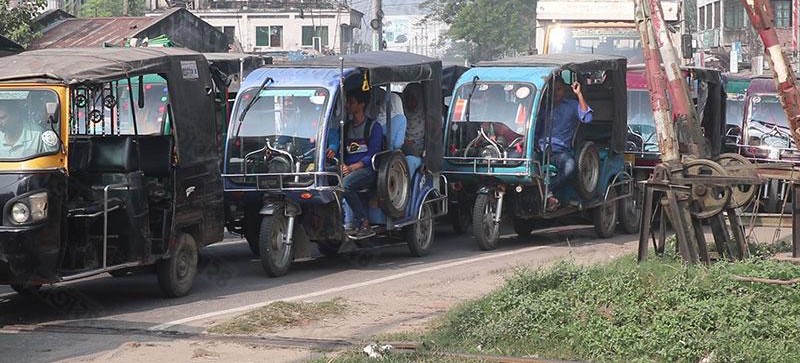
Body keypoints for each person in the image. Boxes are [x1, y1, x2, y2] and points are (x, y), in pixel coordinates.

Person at [537, 76, 592, 211]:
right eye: (553, 90)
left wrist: (579, 94)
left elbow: (587, 118)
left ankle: (545, 190)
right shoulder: (542, 107)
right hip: (539, 150)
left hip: (559, 152)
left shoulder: (572, 105)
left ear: (564, 90)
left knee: (570, 167)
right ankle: (547, 195)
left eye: (559, 89)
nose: (556, 93)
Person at [336, 91, 383, 237]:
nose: (348, 105)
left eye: (352, 102)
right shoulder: (345, 128)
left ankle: (363, 221)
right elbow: (340, 152)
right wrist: (342, 165)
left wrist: (352, 167)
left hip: (366, 170)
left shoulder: (374, 127)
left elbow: (372, 155)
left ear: (362, 104)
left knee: (345, 185)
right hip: (347, 168)